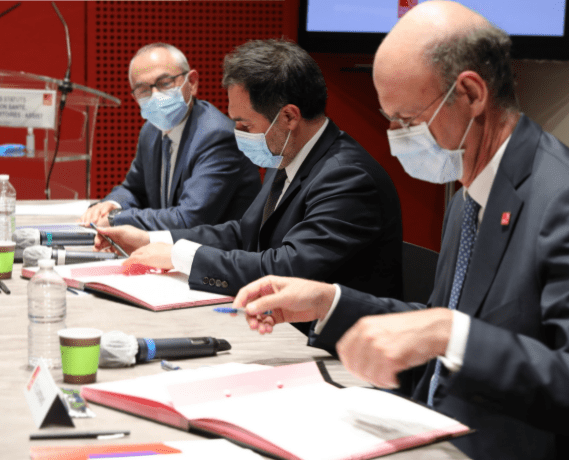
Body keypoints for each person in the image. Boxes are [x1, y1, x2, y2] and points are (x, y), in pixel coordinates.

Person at [232, 3, 569, 459]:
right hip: (431, 429)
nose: (395, 137)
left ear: (471, 93)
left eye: (408, 120)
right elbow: (435, 321)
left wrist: (451, 332)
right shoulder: (470, 192)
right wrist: (328, 301)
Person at [96, 39, 404, 312]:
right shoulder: (287, 153)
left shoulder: (347, 177)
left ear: (289, 117)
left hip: (334, 345)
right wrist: (151, 239)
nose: (238, 133)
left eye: (245, 125)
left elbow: (286, 267)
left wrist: (179, 256)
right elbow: (244, 233)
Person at [79, 43, 261, 230]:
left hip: (221, 247)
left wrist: (116, 218)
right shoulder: (151, 131)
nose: (155, 95)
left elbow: (188, 219)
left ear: (192, 82)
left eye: (165, 83)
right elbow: (134, 189)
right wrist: (111, 205)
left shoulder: (217, 136)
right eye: (143, 90)